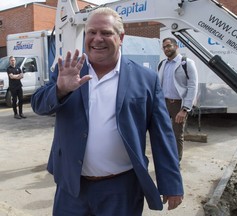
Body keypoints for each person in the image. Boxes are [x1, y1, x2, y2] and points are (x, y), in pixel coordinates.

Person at [31, 7, 184, 216]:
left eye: (106, 33)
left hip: (122, 189)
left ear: (121, 37)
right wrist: (60, 90)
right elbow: (39, 105)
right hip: (72, 188)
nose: (97, 39)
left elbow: (162, 135)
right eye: (92, 32)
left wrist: (171, 182)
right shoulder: (69, 69)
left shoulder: (145, 79)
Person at [158, 37, 198, 163]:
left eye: (169, 46)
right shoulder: (162, 64)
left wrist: (185, 109)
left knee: (177, 135)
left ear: (176, 46)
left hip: (178, 105)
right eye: (164, 47)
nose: (166, 49)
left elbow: (193, 86)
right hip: (163, 103)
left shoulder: (186, 63)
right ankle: (166, 157)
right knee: (162, 133)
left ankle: (176, 161)